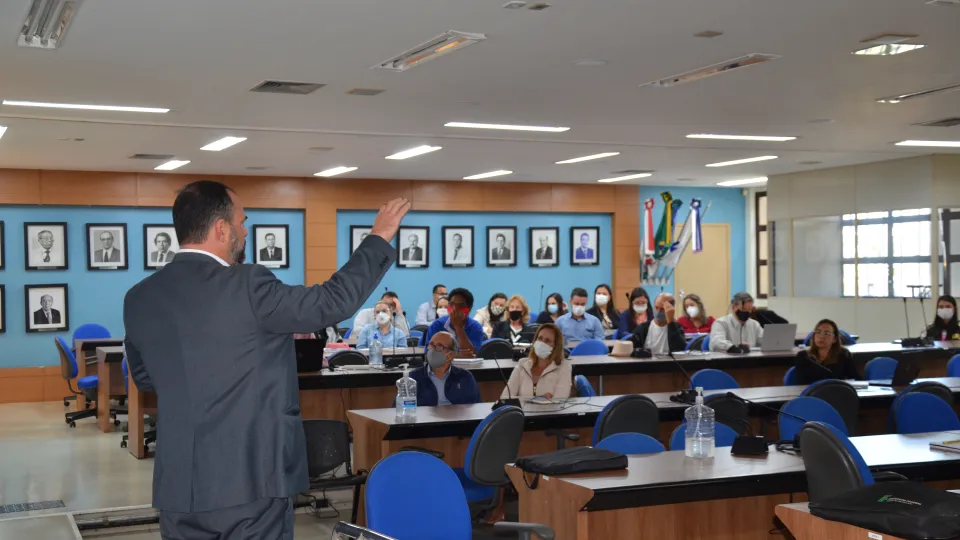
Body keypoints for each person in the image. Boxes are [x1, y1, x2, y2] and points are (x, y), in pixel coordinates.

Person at [123, 180, 409, 538]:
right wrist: (378, 238)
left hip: (178, 488)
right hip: (251, 481)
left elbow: (145, 378)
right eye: (241, 222)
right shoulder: (248, 284)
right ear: (221, 228)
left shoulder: (139, 297)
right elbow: (330, 302)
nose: (245, 231)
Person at [408, 331, 481, 406]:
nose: (433, 349)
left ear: (451, 355)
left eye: (439, 347)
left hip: (456, 413)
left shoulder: (465, 377)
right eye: (431, 344)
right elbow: (404, 407)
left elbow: (476, 407)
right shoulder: (413, 377)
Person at [501, 323, 572, 399]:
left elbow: (560, 400)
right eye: (540, 338)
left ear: (555, 346)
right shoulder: (522, 363)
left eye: (547, 341)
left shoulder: (564, 366)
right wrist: (540, 399)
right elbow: (505, 397)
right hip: (525, 408)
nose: (542, 343)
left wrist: (523, 399)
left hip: (547, 409)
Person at [794, 319, 858, 384]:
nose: (821, 337)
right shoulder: (803, 356)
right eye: (818, 332)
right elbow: (800, 384)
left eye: (826, 333)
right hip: (812, 390)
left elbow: (855, 379)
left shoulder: (844, 354)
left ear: (834, 339)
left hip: (837, 389)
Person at [425, 287, 486, 356]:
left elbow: (472, 355)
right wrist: (456, 355)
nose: (455, 309)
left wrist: (458, 327)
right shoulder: (437, 325)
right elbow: (429, 355)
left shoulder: (475, 327)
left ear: (469, 308)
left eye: (460, 305)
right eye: (452, 304)